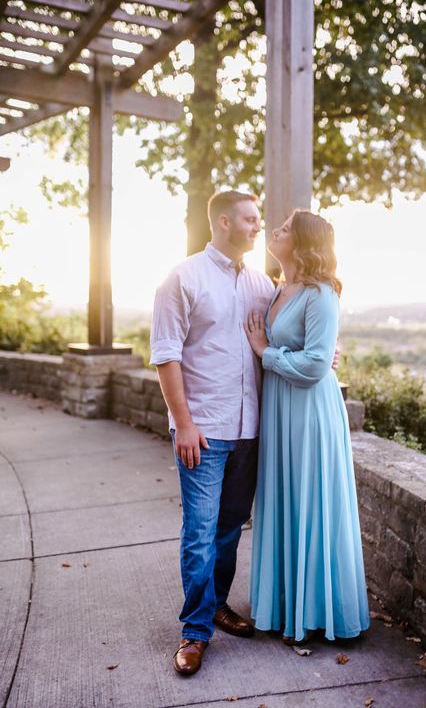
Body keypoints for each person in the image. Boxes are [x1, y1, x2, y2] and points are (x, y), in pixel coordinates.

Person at [150, 190, 275, 675]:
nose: (257, 226)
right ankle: (195, 631)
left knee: (228, 529)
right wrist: (183, 422)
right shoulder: (182, 278)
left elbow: (290, 329)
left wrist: (325, 354)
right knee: (200, 533)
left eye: (258, 219)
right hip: (203, 429)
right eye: (249, 219)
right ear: (223, 222)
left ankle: (218, 605)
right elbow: (166, 354)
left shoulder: (262, 282)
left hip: (250, 429)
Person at [244, 210, 370, 645]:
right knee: (285, 498)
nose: (274, 231)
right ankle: (284, 605)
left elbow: (317, 364)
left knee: (311, 499)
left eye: (283, 229)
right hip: (280, 409)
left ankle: (317, 610)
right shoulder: (279, 288)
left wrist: (266, 352)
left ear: (301, 243)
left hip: (309, 412)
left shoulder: (321, 294)